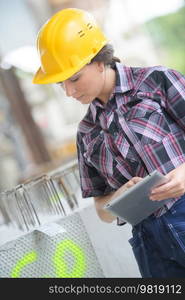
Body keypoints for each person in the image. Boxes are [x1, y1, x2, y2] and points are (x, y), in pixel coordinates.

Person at [33, 8, 185, 278]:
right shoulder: (86, 132)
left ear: (99, 60)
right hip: (150, 244)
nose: (69, 92)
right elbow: (102, 211)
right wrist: (119, 196)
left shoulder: (156, 82)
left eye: (74, 78)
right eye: (60, 84)